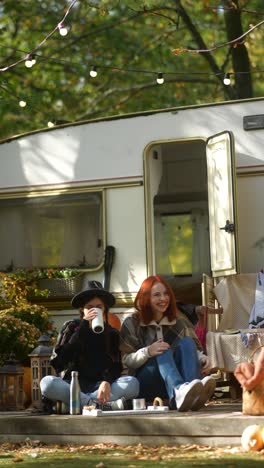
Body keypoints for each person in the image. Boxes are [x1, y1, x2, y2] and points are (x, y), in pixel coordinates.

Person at [120, 275, 216, 412]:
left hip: (174, 381)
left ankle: (193, 393)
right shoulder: (132, 322)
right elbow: (126, 360)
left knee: (188, 342)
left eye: (166, 294)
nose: (163, 299)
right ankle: (179, 392)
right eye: (157, 295)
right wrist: (148, 351)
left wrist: (202, 358)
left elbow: (191, 350)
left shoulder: (178, 321)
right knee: (162, 348)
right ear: (146, 298)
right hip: (145, 382)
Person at [40, 281, 139, 412]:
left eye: (99, 307)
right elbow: (59, 362)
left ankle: (76, 405)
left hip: (99, 388)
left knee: (133, 384)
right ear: (82, 309)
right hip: (72, 385)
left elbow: (116, 366)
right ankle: (97, 406)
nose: (94, 310)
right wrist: (82, 328)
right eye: (90, 307)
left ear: (104, 309)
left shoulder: (112, 333)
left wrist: (107, 382)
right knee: (47, 383)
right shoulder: (72, 327)